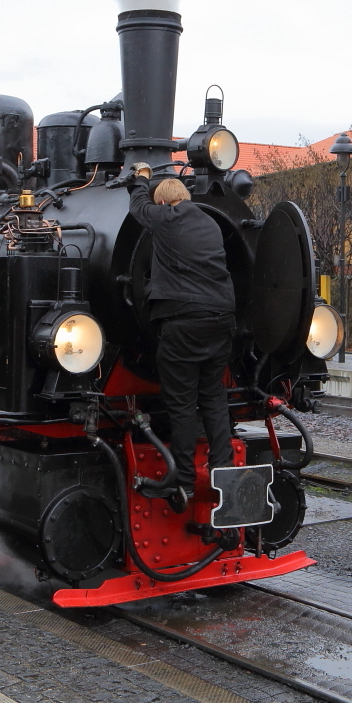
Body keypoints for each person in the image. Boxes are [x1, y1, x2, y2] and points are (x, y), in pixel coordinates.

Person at [126, 163, 236, 511]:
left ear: (165, 204)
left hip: (183, 324)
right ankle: (224, 472)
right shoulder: (210, 222)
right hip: (221, 320)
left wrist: (140, 179)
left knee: (183, 404)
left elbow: (137, 208)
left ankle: (184, 481)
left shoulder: (167, 217)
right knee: (215, 399)